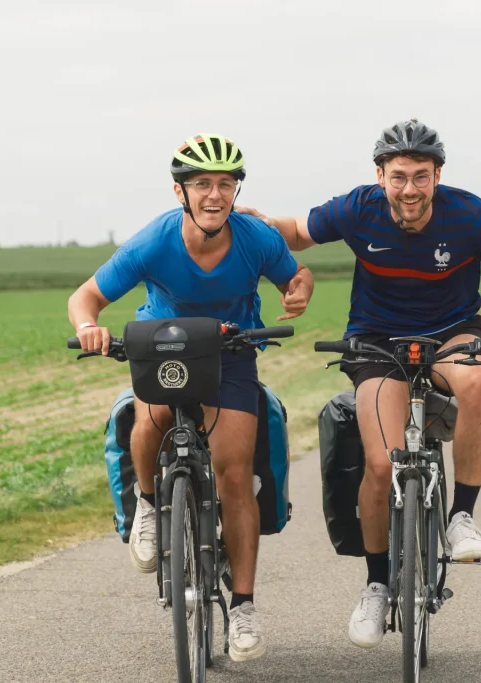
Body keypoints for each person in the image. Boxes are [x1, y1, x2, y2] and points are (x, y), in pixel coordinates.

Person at [235, 119, 481, 649]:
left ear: (437, 176)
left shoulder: (468, 213)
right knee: (382, 464)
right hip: (377, 339)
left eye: (421, 177)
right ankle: (377, 583)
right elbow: (298, 232)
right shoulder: (359, 208)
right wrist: (260, 224)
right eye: (399, 176)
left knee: (476, 385)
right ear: (380, 176)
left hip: (453, 332)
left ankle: (461, 517)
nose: (409, 189)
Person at [66, 134, 314, 662]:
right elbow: (85, 297)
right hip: (164, 346)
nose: (214, 194)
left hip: (232, 352)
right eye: (202, 183)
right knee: (150, 417)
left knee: (233, 471)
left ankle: (243, 607)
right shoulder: (154, 242)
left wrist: (299, 290)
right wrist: (89, 325)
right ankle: (151, 507)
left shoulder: (255, 238)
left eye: (225, 184)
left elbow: (296, 275)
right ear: (180, 191)